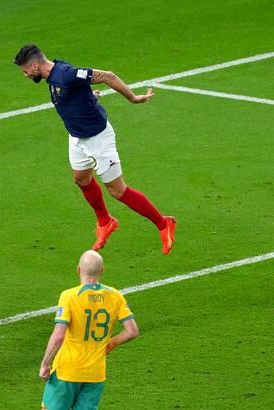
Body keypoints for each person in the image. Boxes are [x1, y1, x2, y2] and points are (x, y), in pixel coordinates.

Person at [13, 44, 177, 255]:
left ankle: (163, 223)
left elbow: (108, 76)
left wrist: (133, 98)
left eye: (25, 71)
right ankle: (106, 222)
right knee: (81, 178)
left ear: (35, 66)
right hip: (77, 137)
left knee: (118, 191)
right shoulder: (55, 74)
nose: (26, 75)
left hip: (98, 139)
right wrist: (89, 96)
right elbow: (75, 90)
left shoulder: (65, 73)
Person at [36, 250, 139, 410]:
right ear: (102, 271)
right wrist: (111, 344)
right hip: (95, 373)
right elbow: (132, 331)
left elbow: (59, 335)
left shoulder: (70, 296)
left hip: (68, 371)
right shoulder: (114, 296)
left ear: (78, 270)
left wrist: (46, 363)